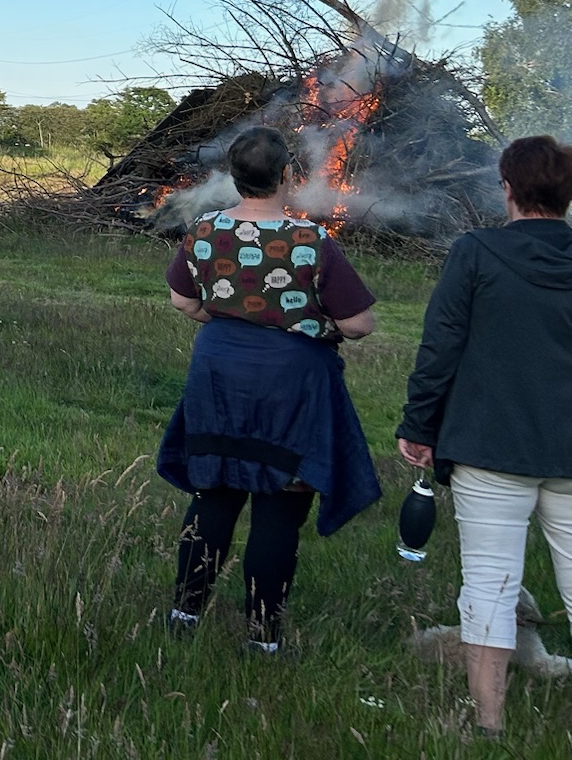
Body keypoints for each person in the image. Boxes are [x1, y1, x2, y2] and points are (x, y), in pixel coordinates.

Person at [157, 124, 380, 653]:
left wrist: (227, 319)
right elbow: (358, 324)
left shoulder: (205, 231)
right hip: (291, 386)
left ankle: (184, 615)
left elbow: (182, 300)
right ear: (287, 176)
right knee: (279, 505)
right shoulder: (311, 240)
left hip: (218, 377)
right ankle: (262, 638)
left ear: (234, 177)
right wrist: (309, 322)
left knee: (214, 493)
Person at [397, 135, 572, 736]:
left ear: (508, 188)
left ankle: (489, 724)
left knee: (490, 586)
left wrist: (419, 426)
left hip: (489, 446)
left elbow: (440, 346)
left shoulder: (474, 252)